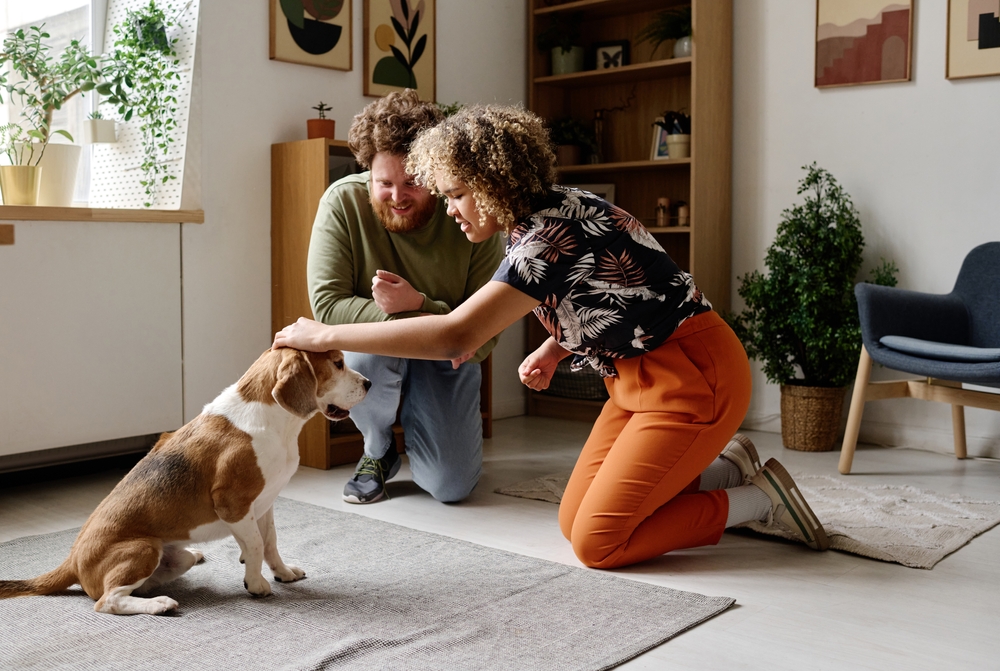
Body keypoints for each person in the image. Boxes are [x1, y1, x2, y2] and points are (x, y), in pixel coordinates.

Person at [276, 104, 830, 568]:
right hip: (638, 381)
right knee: (572, 517)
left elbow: (456, 336)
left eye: (457, 193)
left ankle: (759, 500)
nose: (449, 208)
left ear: (493, 184)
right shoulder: (554, 209)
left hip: (694, 379)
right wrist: (554, 345)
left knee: (598, 542)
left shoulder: (542, 239)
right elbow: (615, 294)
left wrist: (322, 333)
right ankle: (724, 466)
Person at [306, 90, 505, 504]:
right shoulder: (342, 202)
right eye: (384, 183)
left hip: (447, 356)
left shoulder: (471, 214)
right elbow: (327, 308)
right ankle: (378, 449)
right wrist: (418, 322)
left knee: (451, 488)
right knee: (361, 345)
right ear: (368, 174)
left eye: (412, 183)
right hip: (375, 354)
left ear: (434, 173)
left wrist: (420, 308)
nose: (397, 197)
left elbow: (485, 334)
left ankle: (423, 427)